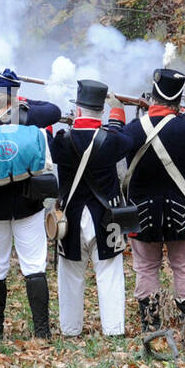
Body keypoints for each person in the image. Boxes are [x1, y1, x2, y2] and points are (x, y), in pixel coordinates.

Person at [120, 68, 185, 353]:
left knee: (145, 268)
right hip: (182, 214)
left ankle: (150, 327)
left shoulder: (132, 128)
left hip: (141, 215)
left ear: (153, 93)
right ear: (178, 97)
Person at [0, 68, 62, 339]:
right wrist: (21, 101)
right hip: (28, 203)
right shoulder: (27, 115)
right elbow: (53, 110)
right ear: (15, 94)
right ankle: (42, 331)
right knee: (34, 267)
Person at [49, 80, 135, 338]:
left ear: (77, 110)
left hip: (71, 217)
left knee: (70, 275)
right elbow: (125, 136)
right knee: (109, 274)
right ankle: (114, 330)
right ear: (101, 111)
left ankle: (70, 329)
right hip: (106, 216)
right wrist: (117, 111)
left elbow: (46, 125)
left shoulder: (61, 141)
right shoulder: (113, 140)